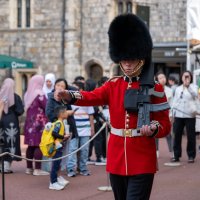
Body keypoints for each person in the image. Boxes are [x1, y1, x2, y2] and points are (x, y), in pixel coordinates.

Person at [56, 14, 171, 200]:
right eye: (124, 59)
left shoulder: (155, 88)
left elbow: (165, 123)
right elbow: (91, 97)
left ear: (141, 58)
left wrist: (153, 129)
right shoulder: (113, 84)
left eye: (131, 59)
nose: (126, 63)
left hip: (142, 159)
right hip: (117, 158)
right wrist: (69, 95)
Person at [45, 78, 78, 172]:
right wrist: (65, 114)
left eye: (62, 86)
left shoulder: (65, 99)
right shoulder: (51, 97)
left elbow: (76, 91)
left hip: (66, 129)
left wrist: (65, 90)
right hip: (56, 131)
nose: (60, 88)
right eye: (58, 85)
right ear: (54, 86)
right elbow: (49, 114)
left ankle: (58, 177)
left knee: (63, 154)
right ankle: (53, 180)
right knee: (57, 154)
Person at [67, 81, 95, 177]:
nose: (72, 91)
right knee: (73, 149)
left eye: (75, 89)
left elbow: (91, 114)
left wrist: (92, 128)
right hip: (74, 129)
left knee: (84, 150)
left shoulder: (86, 100)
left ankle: (82, 168)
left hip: (85, 128)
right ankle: (71, 168)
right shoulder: (68, 100)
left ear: (81, 90)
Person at [23, 75, 49, 176]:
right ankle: (38, 169)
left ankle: (29, 168)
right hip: (39, 123)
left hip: (29, 123)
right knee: (39, 144)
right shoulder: (40, 94)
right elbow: (46, 107)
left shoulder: (27, 94)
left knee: (30, 146)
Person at [171, 70, 198, 163]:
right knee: (177, 135)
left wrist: (188, 87)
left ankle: (191, 155)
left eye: (188, 76)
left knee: (191, 136)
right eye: (184, 76)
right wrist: (172, 114)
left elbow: (195, 95)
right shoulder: (178, 88)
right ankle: (176, 155)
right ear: (181, 77)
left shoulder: (194, 87)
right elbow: (174, 102)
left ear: (190, 78)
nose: (186, 78)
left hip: (190, 115)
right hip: (178, 115)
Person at [0, 78, 24, 173]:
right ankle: (6, 167)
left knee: (1, 142)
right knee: (11, 142)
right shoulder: (15, 97)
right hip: (11, 122)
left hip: (1, 120)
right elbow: (20, 110)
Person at [49, 105, 71, 190]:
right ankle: (52, 182)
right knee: (55, 165)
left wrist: (64, 138)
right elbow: (54, 133)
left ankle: (55, 181)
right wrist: (63, 137)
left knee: (57, 164)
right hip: (56, 146)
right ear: (61, 114)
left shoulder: (61, 123)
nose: (67, 113)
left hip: (59, 146)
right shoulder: (58, 123)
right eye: (65, 112)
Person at [155, 72, 173, 158]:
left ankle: (172, 151)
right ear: (157, 80)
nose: (163, 79)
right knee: (155, 133)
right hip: (156, 115)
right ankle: (156, 151)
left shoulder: (169, 90)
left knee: (169, 133)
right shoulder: (154, 90)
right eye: (160, 78)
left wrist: (171, 115)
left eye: (164, 77)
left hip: (167, 115)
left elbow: (172, 105)